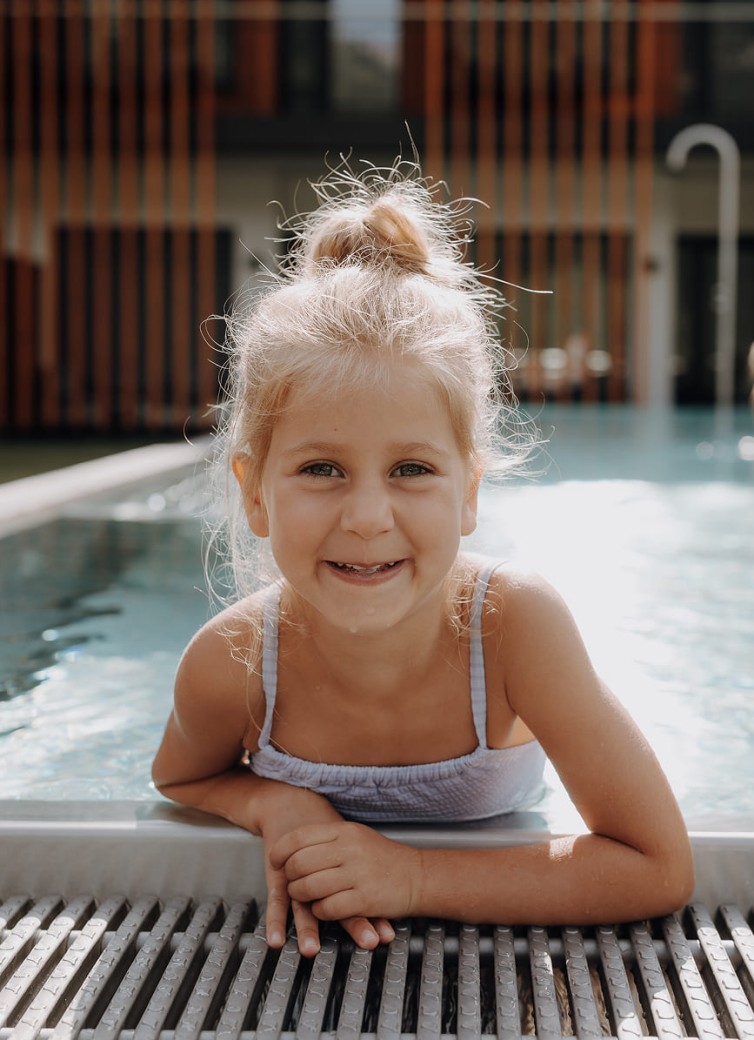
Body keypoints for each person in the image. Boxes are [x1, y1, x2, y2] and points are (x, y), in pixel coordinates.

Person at [152, 159, 694, 958]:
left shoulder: (515, 630)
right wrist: (276, 804)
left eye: (411, 470)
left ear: (469, 492)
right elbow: (183, 779)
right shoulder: (232, 663)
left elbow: (658, 866)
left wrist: (411, 879)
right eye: (320, 469)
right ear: (254, 491)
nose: (368, 517)